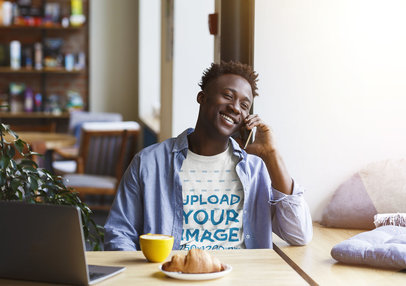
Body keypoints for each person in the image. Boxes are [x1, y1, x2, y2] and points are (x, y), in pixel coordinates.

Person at [104, 61, 312, 251]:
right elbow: (119, 235)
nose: (235, 107)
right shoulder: (149, 163)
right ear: (201, 98)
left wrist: (271, 155)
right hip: (173, 277)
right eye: (228, 96)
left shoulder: (256, 170)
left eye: (244, 105)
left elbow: (299, 234)